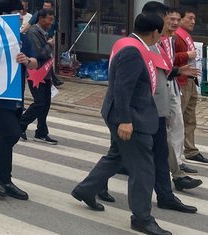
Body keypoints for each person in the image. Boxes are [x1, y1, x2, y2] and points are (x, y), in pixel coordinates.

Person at [71, 13, 198, 234]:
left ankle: (85, 189)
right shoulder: (132, 51)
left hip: (134, 114)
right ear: (155, 32)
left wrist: (177, 71)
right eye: (162, 32)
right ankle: (141, 218)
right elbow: (122, 88)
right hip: (131, 117)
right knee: (143, 169)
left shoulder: (136, 45)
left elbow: (146, 75)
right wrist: (125, 121)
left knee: (117, 156)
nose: (163, 36)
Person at [0, 0, 38, 201]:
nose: (21, 16)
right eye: (17, 12)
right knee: (13, 132)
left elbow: (34, 63)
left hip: (15, 95)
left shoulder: (23, 37)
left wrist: (27, 60)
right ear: (4, 15)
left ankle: (5, 178)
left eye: (22, 12)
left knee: (6, 134)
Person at [161, 8, 201, 190]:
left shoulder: (172, 38)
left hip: (176, 83)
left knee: (178, 125)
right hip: (166, 87)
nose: (175, 22)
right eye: (172, 19)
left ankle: (177, 166)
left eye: (177, 19)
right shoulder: (162, 39)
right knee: (171, 128)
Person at [19, 8, 58, 143]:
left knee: (46, 103)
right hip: (36, 74)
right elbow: (39, 53)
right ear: (41, 19)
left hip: (45, 74)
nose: (51, 23)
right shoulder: (33, 32)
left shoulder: (44, 32)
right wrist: (49, 45)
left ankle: (41, 132)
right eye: (49, 19)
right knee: (40, 103)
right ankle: (21, 124)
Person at [173, 8, 206, 165]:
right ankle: (176, 157)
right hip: (182, 81)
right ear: (181, 19)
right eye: (190, 18)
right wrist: (186, 55)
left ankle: (191, 150)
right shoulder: (176, 35)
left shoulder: (185, 35)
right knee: (179, 120)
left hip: (191, 80)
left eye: (194, 18)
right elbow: (169, 58)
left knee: (190, 118)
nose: (193, 21)